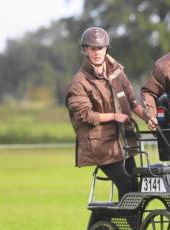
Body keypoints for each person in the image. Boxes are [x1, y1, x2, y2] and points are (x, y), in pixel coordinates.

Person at [65, 27, 155, 201]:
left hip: (124, 141)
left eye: (100, 48)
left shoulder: (117, 73)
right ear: (85, 50)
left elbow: (132, 102)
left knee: (135, 187)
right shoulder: (79, 82)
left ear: (106, 48)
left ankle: (126, 224)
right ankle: (129, 227)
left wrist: (148, 118)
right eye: (92, 48)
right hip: (100, 146)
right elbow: (85, 115)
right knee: (126, 185)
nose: (97, 52)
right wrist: (114, 116)